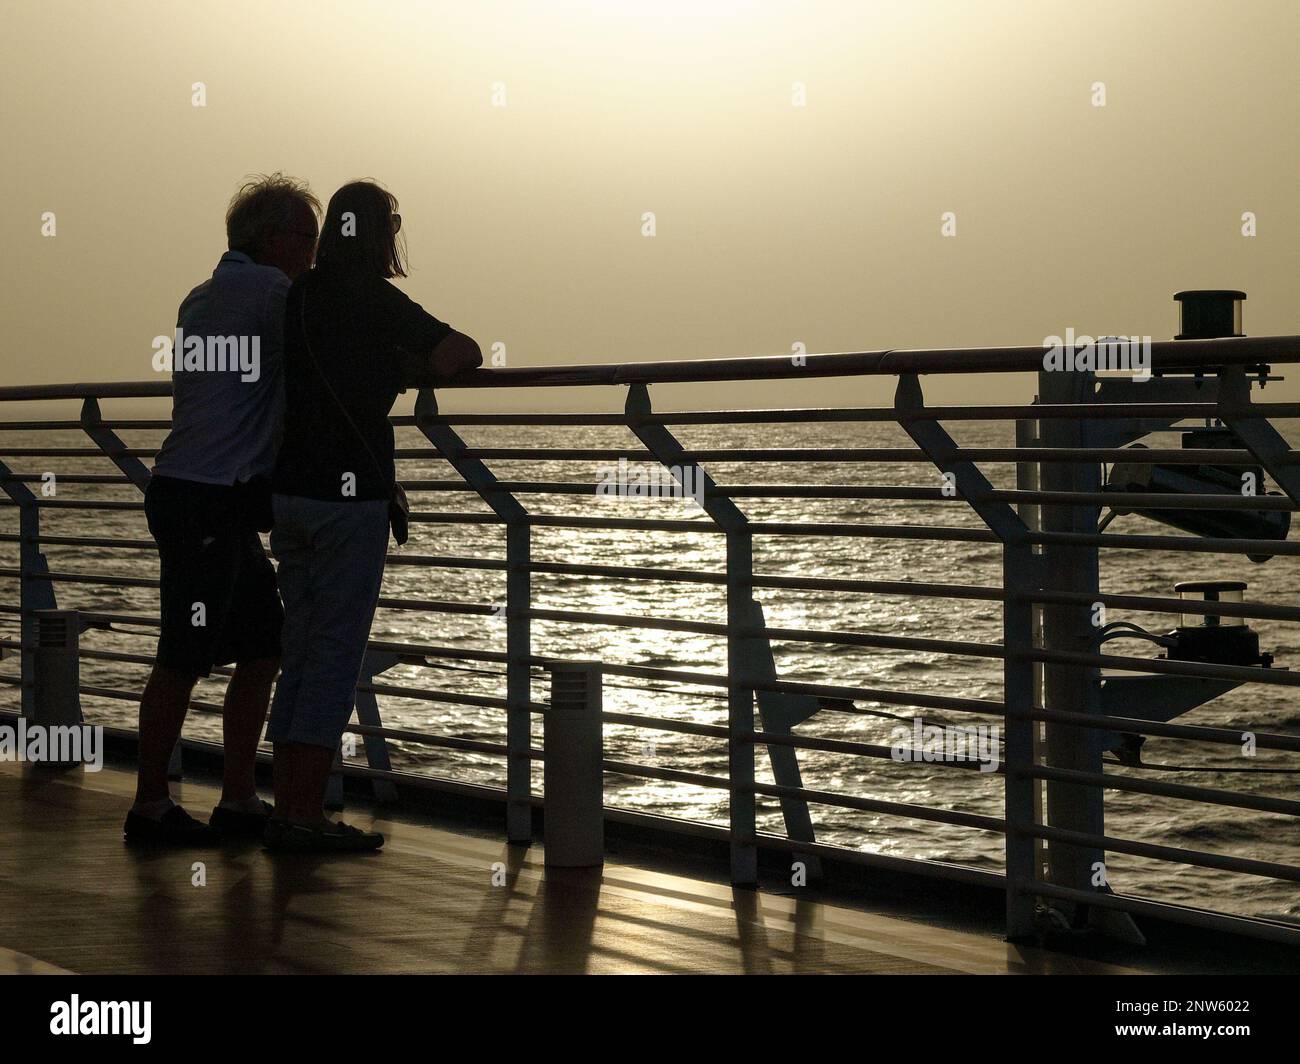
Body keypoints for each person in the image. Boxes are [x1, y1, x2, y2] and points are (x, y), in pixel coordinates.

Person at [265, 180, 482, 852]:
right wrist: (407, 362)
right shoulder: (376, 299)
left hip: (289, 494)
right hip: (347, 502)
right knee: (333, 658)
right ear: (383, 234)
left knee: (297, 653)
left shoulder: (298, 296)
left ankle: (285, 809)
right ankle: (303, 817)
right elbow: (461, 352)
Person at [125, 174, 321, 845]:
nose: (313, 255)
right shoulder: (271, 291)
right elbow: (318, 348)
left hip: (201, 495)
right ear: (271, 240)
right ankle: (150, 807)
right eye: (306, 239)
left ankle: (238, 796)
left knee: (264, 644)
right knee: (181, 655)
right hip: (210, 499)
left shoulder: (201, 296)